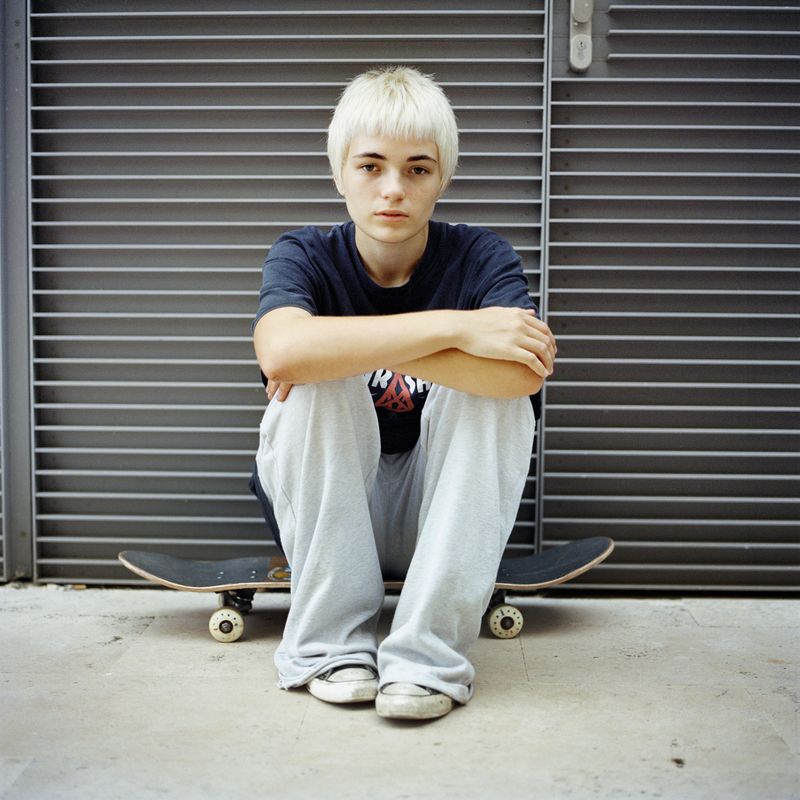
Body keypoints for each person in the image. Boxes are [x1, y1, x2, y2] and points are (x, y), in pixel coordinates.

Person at [249, 66, 557, 721]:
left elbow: (521, 377)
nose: (393, 189)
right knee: (311, 385)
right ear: (339, 172)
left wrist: (336, 345)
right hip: (333, 514)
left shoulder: (481, 256)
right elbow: (281, 353)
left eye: (418, 169)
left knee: (491, 400)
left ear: (442, 176)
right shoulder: (303, 254)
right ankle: (328, 648)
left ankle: (427, 661)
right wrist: (459, 329)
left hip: (443, 519)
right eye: (371, 166)